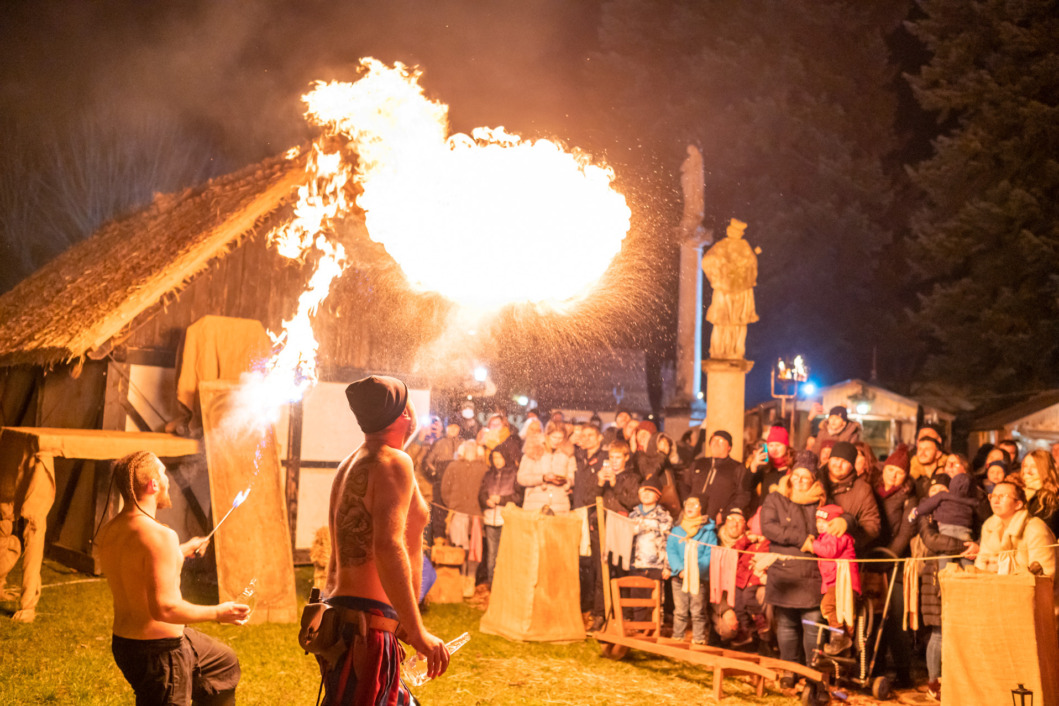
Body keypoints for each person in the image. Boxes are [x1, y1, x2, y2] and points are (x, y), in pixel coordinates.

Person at [326, 375, 449, 705]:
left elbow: (337, 556)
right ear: (404, 414)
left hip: (349, 619)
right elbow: (388, 546)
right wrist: (418, 631)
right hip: (369, 626)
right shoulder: (395, 462)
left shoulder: (354, 462)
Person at [94, 451, 248, 706]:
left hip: (125, 645)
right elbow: (165, 609)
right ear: (153, 484)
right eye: (163, 474)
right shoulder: (160, 536)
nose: (168, 481)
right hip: (161, 653)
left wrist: (183, 550)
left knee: (223, 663)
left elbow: (139, 564)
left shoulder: (112, 529)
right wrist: (220, 612)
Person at [760, 462, 826, 683]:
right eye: (795, 475)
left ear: (813, 480)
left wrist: (843, 521)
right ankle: (789, 669)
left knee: (812, 622)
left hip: (812, 571)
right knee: (786, 623)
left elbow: (834, 521)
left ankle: (812, 672)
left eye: (805, 477)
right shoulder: (775, 498)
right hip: (784, 570)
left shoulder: (821, 500)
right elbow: (769, 527)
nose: (799, 480)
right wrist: (801, 539)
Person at [871, 444, 916, 689]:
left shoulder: (909, 496)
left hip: (894, 561)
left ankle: (903, 670)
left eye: (899, 473)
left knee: (896, 618)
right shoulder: (873, 490)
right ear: (884, 469)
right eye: (890, 470)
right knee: (873, 616)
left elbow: (906, 531)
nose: (893, 476)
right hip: (872, 558)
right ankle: (874, 666)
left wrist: (889, 557)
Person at [975, 480, 1057, 578]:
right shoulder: (989, 527)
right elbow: (980, 566)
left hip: (1026, 591)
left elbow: (1045, 575)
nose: (995, 501)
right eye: (993, 496)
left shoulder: (1035, 529)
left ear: (1018, 504)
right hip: (993, 589)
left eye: (1002, 496)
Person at [810, 504, 860, 655]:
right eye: (817, 522)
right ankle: (844, 648)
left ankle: (839, 638)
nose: (819, 525)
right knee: (843, 614)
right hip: (835, 582)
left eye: (823, 522)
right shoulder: (825, 538)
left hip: (843, 582)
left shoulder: (838, 536)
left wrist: (811, 545)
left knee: (828, 606)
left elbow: (829, 552)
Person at [666, 494, 716, 645]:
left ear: (701, 508)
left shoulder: (708, 533)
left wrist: (694, 570)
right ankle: (678, 637)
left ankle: (699, 639)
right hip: (679, 577)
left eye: (695, 504)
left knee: (697, 610)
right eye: (688, 503)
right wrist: (680, 569)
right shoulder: (676, 530)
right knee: (680, 610)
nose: (690, 507)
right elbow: (671, 551)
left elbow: (709, 555)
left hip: (697, 578)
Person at [441, 440, 489, 598]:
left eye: (473, 447)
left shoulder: (483, 468)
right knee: (461, 547)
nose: (470, 449)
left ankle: (470, 581)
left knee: (474, 549)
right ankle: (460, 581)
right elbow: (445, 489)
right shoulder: (454, 466)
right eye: (467, 447)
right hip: (458, 512)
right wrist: (453, 505)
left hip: (476, 513)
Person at [627, 476, 674, 622]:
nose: (645, 494)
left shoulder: (664, 517)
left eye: (650, 491)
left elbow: (669, 542)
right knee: (637, 599)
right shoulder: (632, 514)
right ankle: (639, 629)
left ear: (657, 495)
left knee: (655, 600)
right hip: (636, 564)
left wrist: (667, 566)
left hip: (656, 566)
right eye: (643, 491)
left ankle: (654, 631)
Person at [820, 441, 881, 553]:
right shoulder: (815, 479)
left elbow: (872, 525)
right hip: (811, 553)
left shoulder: (862, 489)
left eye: (844, 461)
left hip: (841, 555)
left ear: (853, 465)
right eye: (836, 459)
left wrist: (849, 539)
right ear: (829, 459)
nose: (838, 464)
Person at [681, 430, 751, 524]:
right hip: (692, 519)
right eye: (714, 440)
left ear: (729, 447)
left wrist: (725, 514)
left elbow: (743, 494)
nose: (716, 444)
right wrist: (687, 503)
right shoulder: (698, 464)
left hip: (716, 522)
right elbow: (685, 485)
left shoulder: (737, 468)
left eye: (721, 441)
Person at [478, 443, 521, 589]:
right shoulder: (488, 474)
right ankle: (492, 585)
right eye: (495, 457)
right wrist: (486, 500)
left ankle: (505, 586)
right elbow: (482, 493)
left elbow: (518, 497)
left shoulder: (514, 473)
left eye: (500, 457)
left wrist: (501, 500)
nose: (497, 461)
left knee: (506, 554)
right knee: (491, 555)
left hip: (506, 519)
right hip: (490, 518)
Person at [517, 421, 576, 513]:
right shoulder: (533, 451)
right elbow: (521, 478)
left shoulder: (567, 454)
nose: (557, 441)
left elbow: (573, 477)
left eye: (560, 438)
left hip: (560, 506)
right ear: (547, 435)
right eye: (554, 437)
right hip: (535, 505)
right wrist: (543, 478)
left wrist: (565, 481)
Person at [1021, 449, 1059, 536]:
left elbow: (1044, 532)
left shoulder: (1051, 498)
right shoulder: (1021, 492)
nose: (1028, 471)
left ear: (1044, 469)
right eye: (1025, 466)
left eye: (1034, 467)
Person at [910, 425, 947, 494]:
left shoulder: (945, 475)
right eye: (920, 449)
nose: (922, 453)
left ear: (938, 454)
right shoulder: (913, 477)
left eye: (927, 449)